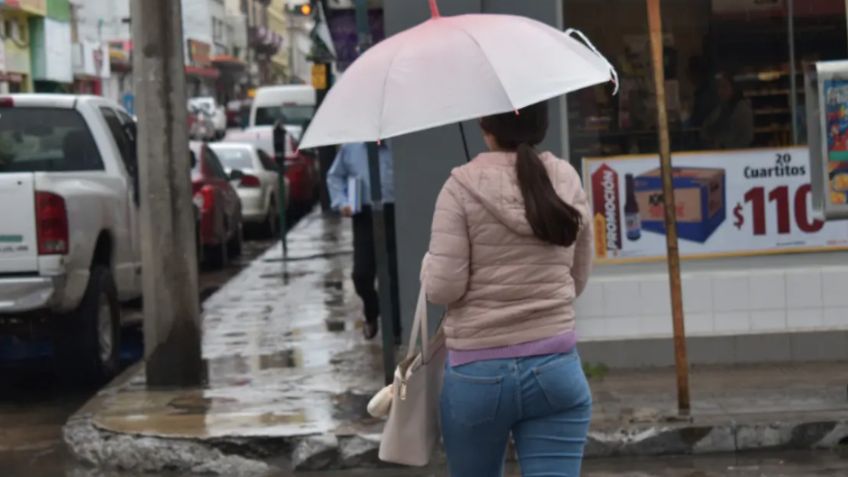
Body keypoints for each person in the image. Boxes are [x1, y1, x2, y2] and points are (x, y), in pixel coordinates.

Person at [422, 101, 594, 476]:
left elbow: (443, 289)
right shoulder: (565, 179)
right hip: (556, 370)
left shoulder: (458, 188)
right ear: (542, 124)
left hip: (477, 375)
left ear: (485, 124)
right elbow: (577, 279)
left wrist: (429, 267)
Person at [326, 143, 399, 341]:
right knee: (361, 274)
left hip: (396, 212)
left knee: (395, 273)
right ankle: (372, 310)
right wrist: (342, 202)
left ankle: (397, 330)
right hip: (365, 214)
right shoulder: (351, 148)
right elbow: (334, 176)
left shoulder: (398, 145)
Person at [701, 72, 754, 149]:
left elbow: (746, 138)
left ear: (733, 88)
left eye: (724, 87)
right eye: (719, 87)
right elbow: (704, 131)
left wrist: (724, 146)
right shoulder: (720, 108)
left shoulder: (742, 109)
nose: (720, 91)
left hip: (736, 155)